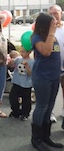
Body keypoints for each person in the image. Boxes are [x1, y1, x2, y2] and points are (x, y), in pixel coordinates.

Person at [30, 12, 63, 150]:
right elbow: (46, 52)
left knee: (50, 107)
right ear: (45, 25)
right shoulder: (36, 37)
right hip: (42, 77)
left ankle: (45, 136)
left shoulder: (52, 36)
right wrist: (51, 33)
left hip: (55, 75)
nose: (54, 24)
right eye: (52, 22)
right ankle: (36, 139)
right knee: (42, 106)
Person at [8, 46, 34, 121]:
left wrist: (26, 66)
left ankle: (25, 113)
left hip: (26, 84)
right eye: (21, 51)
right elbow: (11, 65)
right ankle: (16, 111)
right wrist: (11, 62)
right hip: (17, 82)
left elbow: (30, 73)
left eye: (24, 52)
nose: (22, 53)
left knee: (26, 100)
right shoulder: (18, 59)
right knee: (13, 97)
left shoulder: (32, 61)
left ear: (29, 52)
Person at [48, 5, 64, 128]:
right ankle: (50, 113)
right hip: (51, 67)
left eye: (56, 13)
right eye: (51, 13)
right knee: (51, 92)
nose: (54, 15)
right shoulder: (46, 29)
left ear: (61, 13)